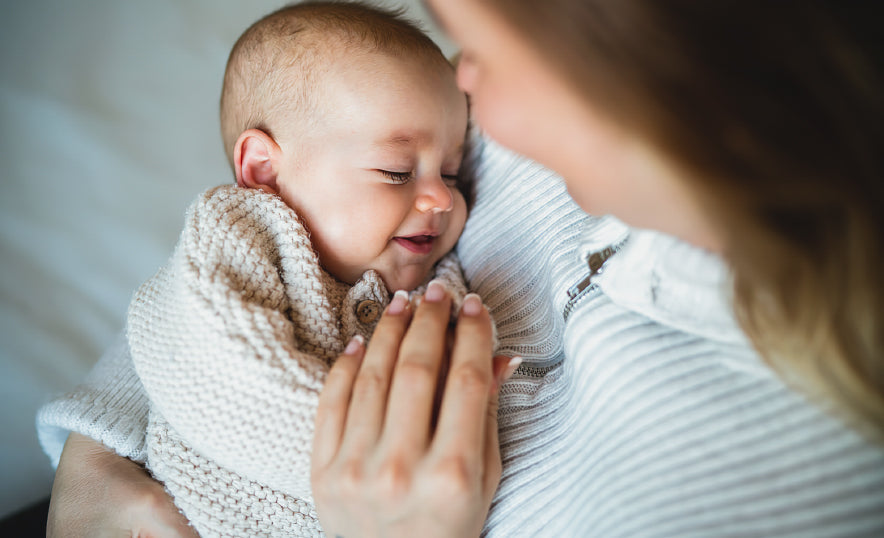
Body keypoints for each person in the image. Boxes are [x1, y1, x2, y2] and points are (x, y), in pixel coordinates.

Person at [39, 0, 884, 536]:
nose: (462, 78)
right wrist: (95, 453)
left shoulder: (800, 485)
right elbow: (210, 294)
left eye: (474, 43)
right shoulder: (461, 121)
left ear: (626, 62)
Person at [41, 2, 511, 536]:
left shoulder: (439, 278)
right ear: (264, 171)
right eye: (396, 171)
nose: (441, 199)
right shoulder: (239, 242)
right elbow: (215, 371)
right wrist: (418, 430)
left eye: (450, 172)